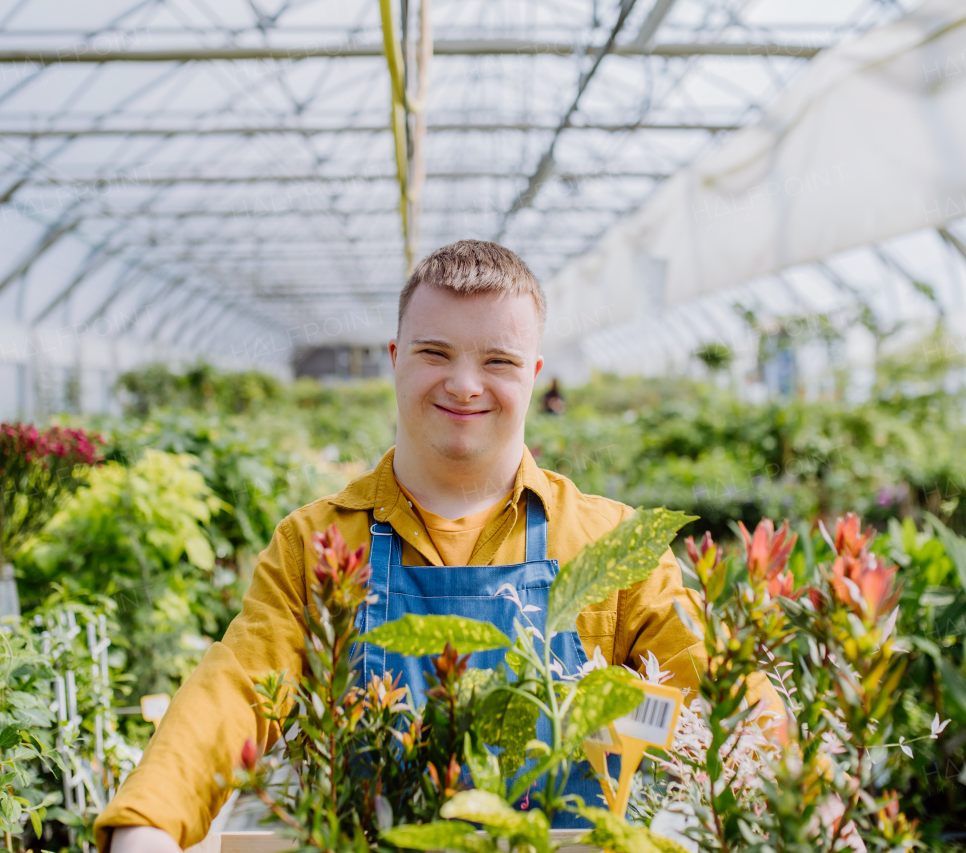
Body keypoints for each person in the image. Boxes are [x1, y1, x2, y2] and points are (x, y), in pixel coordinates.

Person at [100, 240, 780, 853]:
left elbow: (728, 690)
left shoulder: (604, 543)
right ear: (396, 360)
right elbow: (235, 689)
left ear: (534, 374)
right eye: (435, 352)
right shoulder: (320, 544)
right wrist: (148, 821)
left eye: (498, 360)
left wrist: (796, 790)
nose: (464, 383)